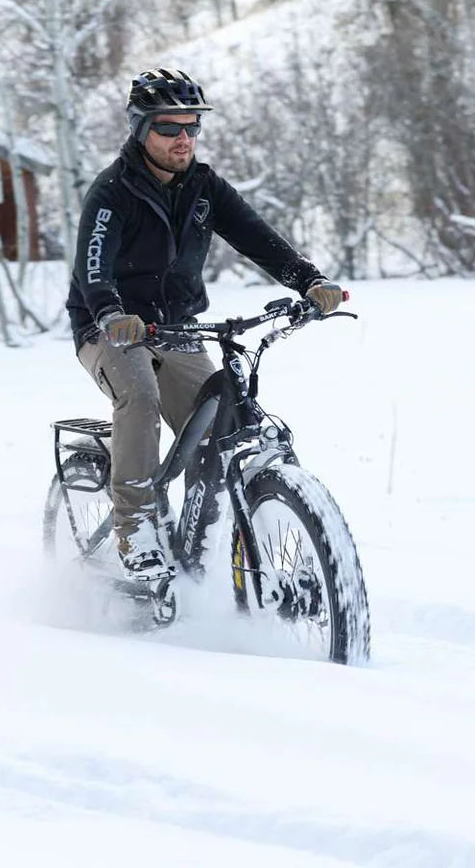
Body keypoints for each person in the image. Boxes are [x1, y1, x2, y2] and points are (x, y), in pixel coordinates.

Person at [67, 68, 344, 576]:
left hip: (176, 328)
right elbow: (93, 266)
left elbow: (257, 238)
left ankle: (210, 544)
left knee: (216, 427)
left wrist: (308, 280)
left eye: (192, 126)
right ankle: (136, 525)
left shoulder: (204, 187)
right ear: (139, 128)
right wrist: (110, 312)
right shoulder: (111, 192)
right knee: (141, 396)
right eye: (169, 128)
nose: (183, 139)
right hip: (108, 327)